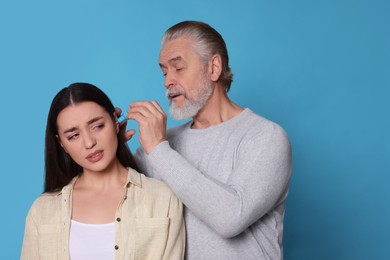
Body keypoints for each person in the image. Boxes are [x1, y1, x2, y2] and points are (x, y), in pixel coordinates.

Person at [121, 21, 292, 260]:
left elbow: (230, 218)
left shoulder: (265, 137)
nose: (167, 81)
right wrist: (112, 146)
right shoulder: (162, 142)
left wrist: (159, 150)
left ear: (213, 68)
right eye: (164, 71)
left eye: (178, 68)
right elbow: (120, 206)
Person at [21, 82, 185, 260]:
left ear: (115, 122)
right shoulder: (42, 210)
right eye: (73, 135)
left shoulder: (161, 198)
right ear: (62, 144)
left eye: (97, 126)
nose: (89, 142)